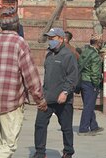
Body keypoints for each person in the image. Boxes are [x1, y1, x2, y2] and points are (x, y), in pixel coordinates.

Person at [0, 7, 47, 158]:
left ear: (1, 26)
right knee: (9, 147)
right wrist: (39, 98)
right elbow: (30, 74)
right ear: (17, 26)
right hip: (11, 103)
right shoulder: (20, 43)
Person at [33, 28, 79, 158]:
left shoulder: (68, 55)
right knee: (40, 125)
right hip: (47, 98)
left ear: (60, 38)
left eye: (52, 38)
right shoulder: (49, 54)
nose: (50, 41)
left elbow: (73, 77)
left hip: (63, 99)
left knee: (66, 128)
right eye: (49, 38)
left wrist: (65, 92)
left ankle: (68, 151)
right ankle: (40, 152)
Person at [78, 34, 104, 136]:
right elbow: (95, 73)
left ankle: (93, 126)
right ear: (98, 43)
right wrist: (97, 84)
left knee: (88, 105)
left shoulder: (85, 52)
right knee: (89, 106)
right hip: (90, 82)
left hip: (83, 80)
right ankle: (83, 128)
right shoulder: (95, 56)